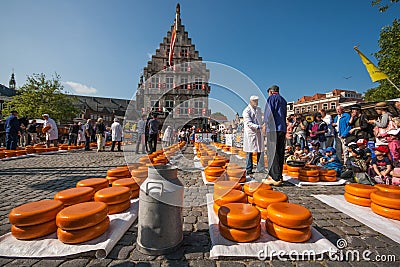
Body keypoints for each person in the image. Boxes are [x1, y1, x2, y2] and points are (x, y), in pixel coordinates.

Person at [262, 85, 287, 186]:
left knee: (273, 152)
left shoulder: (271, 98)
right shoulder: (283, 100)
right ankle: (279, 175)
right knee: (280, 152)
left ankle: (275, 177)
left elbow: (269, 113)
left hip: (273, 129)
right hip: (282, 129)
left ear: (271, 92)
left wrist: (264, 124)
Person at [243, 95, 265, 176]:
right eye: (254, 101)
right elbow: (248, 123)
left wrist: (264, 123)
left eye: (257, 101)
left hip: (258, 132)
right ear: (250, 101)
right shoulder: (246, 111)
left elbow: (261, 119)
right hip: (251, 133)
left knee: (260, 150)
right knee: (249, 151)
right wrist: (258, 127)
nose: (256, 103)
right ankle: (249, 169)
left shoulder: (259, 109)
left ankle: (260, 168)